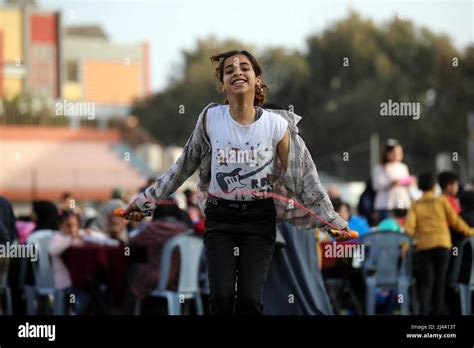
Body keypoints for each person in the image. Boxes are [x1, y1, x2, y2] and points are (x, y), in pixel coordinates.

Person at [120, 50, 354, 315]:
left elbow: (304, 178)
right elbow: (183, 165)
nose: (237, 72)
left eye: (244, 68)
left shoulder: (276, 125)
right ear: (222, 84)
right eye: (229, 70)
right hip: (221, 217)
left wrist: (330, 218)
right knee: (220, 298)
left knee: (249, 300)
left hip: (259, 219)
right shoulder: (211, 118)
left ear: (257, 79)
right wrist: (146, 201)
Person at [405, 173, 474, 315]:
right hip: (443, 246)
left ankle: (423, 312)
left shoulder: (416, 204)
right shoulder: (442, 201)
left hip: (424, 247)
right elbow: (456, 222)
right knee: (440, 282)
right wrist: (470, 231)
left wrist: (405, 246)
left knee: (426, 283)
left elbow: (409, 228)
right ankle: (437, 312)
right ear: (433, 186)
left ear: (419, 186)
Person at [48, 210, 106, 314]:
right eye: (68, 226)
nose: (72, 229)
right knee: (84, 299)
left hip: (82, 281)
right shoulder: (58, 237)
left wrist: (90, 234)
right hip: (66, 283)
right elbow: (53, 250)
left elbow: (102, 239)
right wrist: (71, 239)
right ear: (60, 225)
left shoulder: (80, 235)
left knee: (99, 295)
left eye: (74, 225)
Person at [372, 139, 412, 222]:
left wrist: (407, 181)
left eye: (399, 152)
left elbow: (407, 181)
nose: (397, 155)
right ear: (387, 153)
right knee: (387, 228)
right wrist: (390, 183)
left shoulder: (403, 167)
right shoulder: (379, 168)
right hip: (386, 205)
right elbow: (376, 185)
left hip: (401, 204)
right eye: (394, 152)